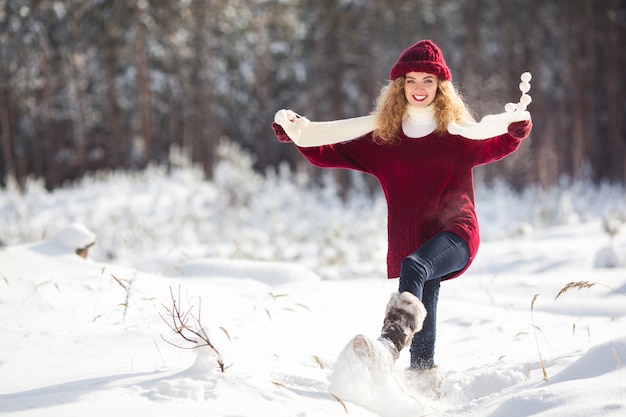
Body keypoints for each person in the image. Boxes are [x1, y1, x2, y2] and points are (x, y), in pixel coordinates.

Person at [271, 39, 533, 395]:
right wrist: (297, 136)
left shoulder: (454, 133)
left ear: (440, 87)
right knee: (425, 293)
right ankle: (423, 383)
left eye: (427, 80)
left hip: (456, 232)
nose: (419, 88)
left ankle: (389, 344)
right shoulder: (385, 140)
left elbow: (494, 142)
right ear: (399, 87)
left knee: (416, 267)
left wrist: (515, 132)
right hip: (415, 237)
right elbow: (328, 153)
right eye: (411, 80)